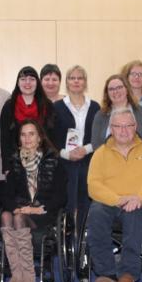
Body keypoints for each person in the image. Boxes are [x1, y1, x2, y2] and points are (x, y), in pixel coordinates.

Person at [86, 108, 142, 282]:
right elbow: (93, 185)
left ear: (135, 126)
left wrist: (139, 198)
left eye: (128, 125)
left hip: (141, 204)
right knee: (95, 212)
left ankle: (128, 273)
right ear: (111, 128)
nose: (123, 130)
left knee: (134, 213)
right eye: (118, 126)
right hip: (110, 204)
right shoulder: (101, 153)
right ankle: (106, 274)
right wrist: (118, 199)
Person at [0, 120, 67, 282]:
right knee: (7, 216)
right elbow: (6, 194)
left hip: (44, 213)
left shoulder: (54, 160)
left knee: (17, 218)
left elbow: (61, 196)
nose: (27, 138)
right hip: (21, 211)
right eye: (23, 134)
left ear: (39, 138)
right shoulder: (15, 161)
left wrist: (36, 208)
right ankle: (17, 275)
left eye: (31, 134)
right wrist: (16, 207)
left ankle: (28, 277)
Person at [52, 65, 100, 232]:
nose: (76, 81)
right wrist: (66, 154)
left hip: (89, 161)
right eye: (72, 78)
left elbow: (100, 136)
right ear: (67, 82)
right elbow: (50, 138)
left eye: (80, 78)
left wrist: (85, 149)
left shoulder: (95, 107)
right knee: (68, 205)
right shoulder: (56, 107)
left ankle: (83, 243)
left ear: (85, 82)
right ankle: (68, 241)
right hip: (64, 162)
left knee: (86, 204)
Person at [0, 66, 56, 169]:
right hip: (15, 164)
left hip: (43, 162)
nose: (27, 83)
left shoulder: (47, 105)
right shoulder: (9, 106)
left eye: (32, 79)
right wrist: (6, 167)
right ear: (18, 83)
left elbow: (52, 137)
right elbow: (5, 139)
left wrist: (51, 161)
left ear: (37, 83)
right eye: (23, 79)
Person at [90, 75, 142, 150]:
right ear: (107, 94)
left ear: (127, 89)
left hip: (138, 159)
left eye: (119, 87)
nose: (115, 91)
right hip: (107, 160)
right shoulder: (100, 115)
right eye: (111, 89)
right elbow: (96, 145)